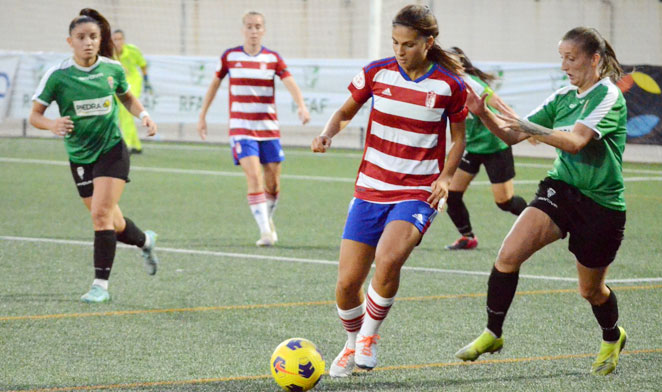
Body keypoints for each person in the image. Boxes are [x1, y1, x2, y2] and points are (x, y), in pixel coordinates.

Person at [455, 27, 628, 376]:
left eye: (571, 58)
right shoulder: (563, 96)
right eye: (561, 57)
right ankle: (493, 333)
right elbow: (511, 135)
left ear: (594, 59)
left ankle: (612, 335)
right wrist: (483, 112)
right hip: (560, 189)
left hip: (602, 205)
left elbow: (576, 141)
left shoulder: (608, 96)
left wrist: (530, 127)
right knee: (507, 255)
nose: (564, 65)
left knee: (590, 291)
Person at [312, 5, 467, 377]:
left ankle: (369, 336)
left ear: (429, 43)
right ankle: (351, 343)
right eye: (395, 42)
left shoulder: (449, 85)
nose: (400, 50)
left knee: (389, 258)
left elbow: (459, 140)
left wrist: (445, 178)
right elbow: (345, 112)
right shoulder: (376, 73)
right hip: (369, 189)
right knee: (347, 285)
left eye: (409, 44)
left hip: (416, 191)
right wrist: (327, 134)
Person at [29, 8, 160, 303]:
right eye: (81, 37)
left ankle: (100, 285)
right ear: (69, 41)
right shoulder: (58, 76)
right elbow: (35, 116)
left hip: (112, 149)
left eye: (93, 37)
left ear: (100, 39)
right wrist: (53, 124)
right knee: (112, 221)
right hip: (79, 155)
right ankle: (146, 241)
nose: (88, 42)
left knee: (100, 215)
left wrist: (144, 116)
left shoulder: (112, 69)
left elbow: (126, 96)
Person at [197, 11, 310, 247]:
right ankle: (265, 232)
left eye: (258, 26)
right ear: (243, 30)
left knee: (273, 183)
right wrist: (203, 115)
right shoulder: (230, 56)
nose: (254, 31)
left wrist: (301, 106)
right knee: (254, 176)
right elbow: (214, 85)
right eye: (249, 26)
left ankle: (268, 221)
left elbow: (289, 81)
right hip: (241, 128)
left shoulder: (272, 58)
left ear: (264, 30)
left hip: (268, 128)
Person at [441, 47, 527, 250]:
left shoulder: (472, 84)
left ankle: (543, 220)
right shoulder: (444, 85)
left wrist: (523, 128)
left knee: (504, 202)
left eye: (449, 63)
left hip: (495, 145)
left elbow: (501, 105)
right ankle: (467, 236)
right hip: (472, 148)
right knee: (452, 194)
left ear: (461, 64)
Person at [111, 29, 152, 154]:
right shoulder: (109, 53)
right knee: (121, 113)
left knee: (127, 109)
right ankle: (136, 145)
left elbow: (143, 64)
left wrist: (146, 80)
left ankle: (127, 144)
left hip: (133, 81)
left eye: (120, 39)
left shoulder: (132, 50)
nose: (117, 42)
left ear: (124, 40)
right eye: (115, 39)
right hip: (119, 82)